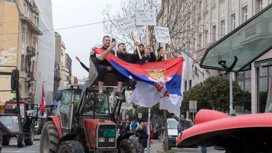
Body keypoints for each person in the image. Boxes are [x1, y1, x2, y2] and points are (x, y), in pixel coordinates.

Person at [93, 36, 116, 101]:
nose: (108, 41)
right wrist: (110, 48)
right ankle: (100, 91)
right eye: (106, 40)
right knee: (101, 69)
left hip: (110, 68)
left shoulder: (113, 52)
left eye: (109, 40)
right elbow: (101, 58)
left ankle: (119, 91)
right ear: (103, 42)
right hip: (101, 67)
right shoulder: (98, 50)